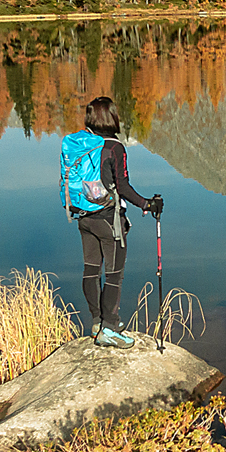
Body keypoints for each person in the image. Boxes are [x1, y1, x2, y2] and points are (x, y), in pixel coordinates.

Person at [64, 96, 162, 347]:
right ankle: (109, 328)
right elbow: (123, 186)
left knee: (91, 269)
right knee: (114, 275)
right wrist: (147, 205)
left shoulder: (81, 144)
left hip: (84, 217)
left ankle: (98, 322)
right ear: (112, 117)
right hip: (109, 220)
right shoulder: (114, 147)